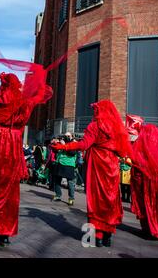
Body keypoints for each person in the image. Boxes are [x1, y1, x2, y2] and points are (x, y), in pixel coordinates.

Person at [0, 55, 52, 247]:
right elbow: (43, 93)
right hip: (13, 144)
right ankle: (4, 232)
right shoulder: (25, 102)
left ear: (3, 86)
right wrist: (39, 78)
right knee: (10, 190)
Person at [52, 100, 132, 248]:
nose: (94, 113)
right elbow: (121, 151)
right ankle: (108, 235)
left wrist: (64, 147)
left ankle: (98, 237)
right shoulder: (116, 128)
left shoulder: (94, 126)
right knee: (110, 199)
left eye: (96, 110)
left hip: (98, 165)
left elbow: (83, 145)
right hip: (112, 166)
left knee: (97, 199)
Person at [130, 124, 158, 239]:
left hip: (142, 181)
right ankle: (157, 228)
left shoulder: (139, 146)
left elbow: (134, 160)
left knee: (144, 205)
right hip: (154, 181)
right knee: (155, 206)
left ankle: (147, 229)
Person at [51, 133, 77, 206]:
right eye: (65, 136)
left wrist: (64, 145)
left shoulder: (74, 143)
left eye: (68, 136)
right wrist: (54, 143)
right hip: (59, 163)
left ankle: (71, 198)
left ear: (72, 137)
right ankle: (58, 195)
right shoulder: (61, 142)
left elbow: (72, 153)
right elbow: (54, 150)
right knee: (57, 180)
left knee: (70, 183)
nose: (66, 137)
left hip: (69, 164)